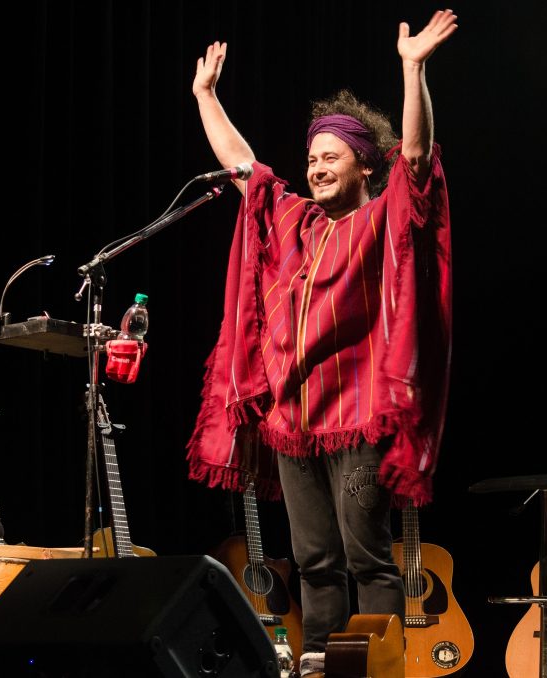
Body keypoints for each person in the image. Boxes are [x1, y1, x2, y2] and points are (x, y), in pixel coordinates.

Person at [186, 9, 457, 677]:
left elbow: (416, 158)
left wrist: (412, 67)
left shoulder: (382, 218)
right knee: (311, 558)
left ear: (364, 165)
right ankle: (317, 660)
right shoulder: (294, 221)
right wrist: (205, 96)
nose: (314, 169)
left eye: (328, 157)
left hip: (357, 418)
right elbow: (245, 169)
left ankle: (373, 665)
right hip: (291, 422)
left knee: (365, 554)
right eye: (311, 159)